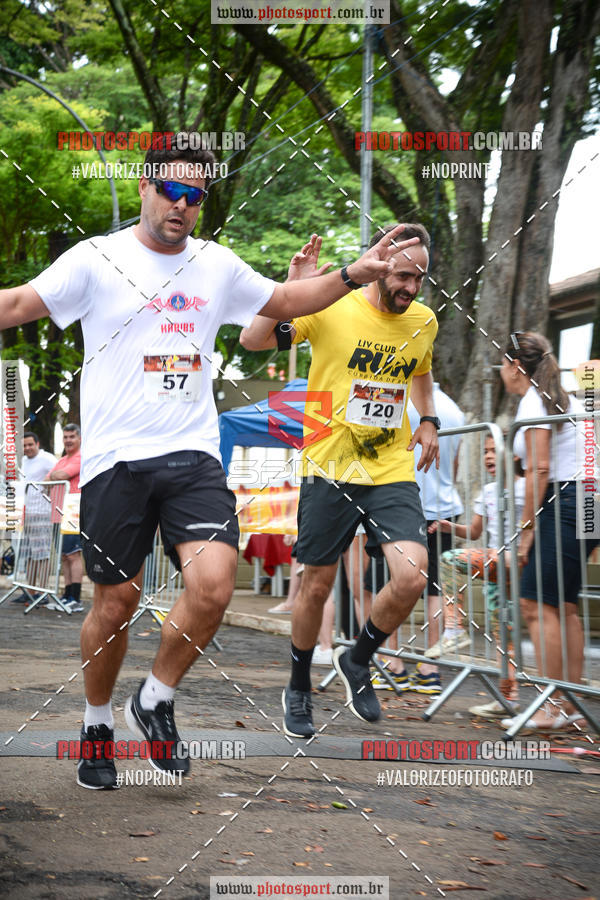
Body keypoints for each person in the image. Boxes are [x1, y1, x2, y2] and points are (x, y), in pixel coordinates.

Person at [0, 136, 419, 789]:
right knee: (116, 604)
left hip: (192, 455)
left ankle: (157, 700)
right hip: (116, 461)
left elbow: (281, 304)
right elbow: (19, 305)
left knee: (215, 585)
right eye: (171, 191)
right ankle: (97, 723)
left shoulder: (216, 264)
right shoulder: (95, 259)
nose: (183, 205)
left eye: (195, 196)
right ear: (146, 187)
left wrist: (350, 275)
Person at [241, 223, 439, 738]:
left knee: (413, 575)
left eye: (419, 278)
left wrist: (429, 418)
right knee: (316, 584)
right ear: (376, 265)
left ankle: (359, 658)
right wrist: (289, 293)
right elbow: (253, 338)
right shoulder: (331, 306)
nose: (410, 289)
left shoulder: (423, 320)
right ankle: (299, 684)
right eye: (402, 276)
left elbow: (420, 369)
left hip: (390, 466)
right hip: (331, 463)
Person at [499, 331, 598, 732]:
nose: (502, 375)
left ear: (515, 367)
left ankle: (551, 704)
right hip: (587, 499)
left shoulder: (534, 399)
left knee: (535, 605)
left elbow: (538, 468)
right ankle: (569, 702)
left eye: (502, 366)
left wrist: (526, 529)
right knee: (564, 606)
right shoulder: (562, 396)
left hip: (568, 499)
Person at [370, 382, 465, 695]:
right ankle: (430, 669)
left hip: (402, 504)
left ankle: (392, 664)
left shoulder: (396, 398)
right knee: (435, 586)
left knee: (388, 581)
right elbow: (454, 465)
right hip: (444, 505)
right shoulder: (454, 408)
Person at [431, 433, 525, 716]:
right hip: (495, 563)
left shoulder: (527, 488)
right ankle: (509, 699)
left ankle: (455, 629)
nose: (488, 457)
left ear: (516, 455)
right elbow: (474, 532)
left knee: (448, 559)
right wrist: (451, 528)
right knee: (502, 634)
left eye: (495, 451)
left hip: (516, 560)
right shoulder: (487, 492)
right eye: (485, 451)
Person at [11, 433, 58, 603]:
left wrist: (48, 491)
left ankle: (43, 591)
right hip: (25, 513)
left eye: (30, 444)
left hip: (42, 512)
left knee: (42, 553)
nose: (28, 448)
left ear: (37, 443)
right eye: (24, 446)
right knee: (30, 554)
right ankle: (31, 590)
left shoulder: (47, 458)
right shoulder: (23, 461)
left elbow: (59, 473)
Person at [46, 424, 83, 613]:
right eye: (65, 437)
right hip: (57, 514)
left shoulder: (81, 457)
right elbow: (46, 479)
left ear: (80, 439)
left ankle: (75, 598)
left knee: (73, 555)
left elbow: (62, 475)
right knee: (64, 556)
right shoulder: (62, 459)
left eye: (72, 437)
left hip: (73, 513)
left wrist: (55, 476)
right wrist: (54, 476)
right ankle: (66, 596)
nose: (68, 440)